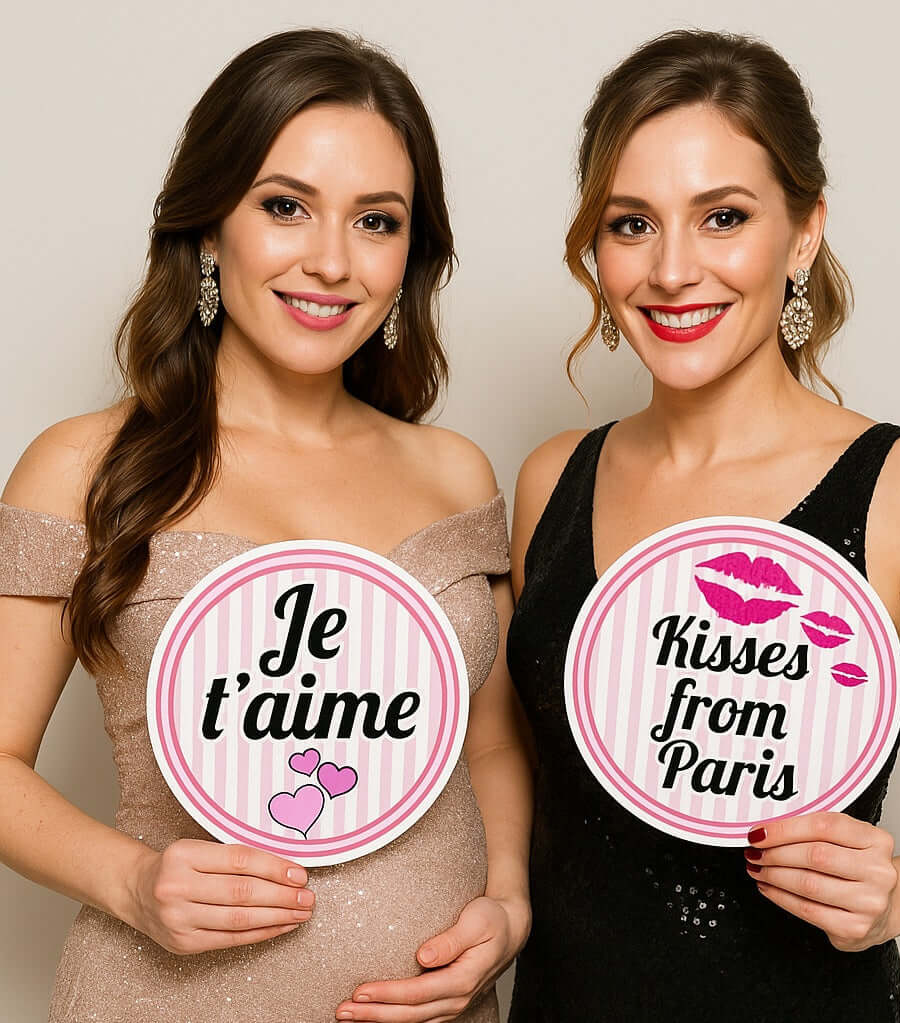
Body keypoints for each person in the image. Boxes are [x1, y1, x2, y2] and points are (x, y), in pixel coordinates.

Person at [0, 29, 531, 1023]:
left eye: (376, 221)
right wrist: (128, 883)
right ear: (210, 228)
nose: (330, 262)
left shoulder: (454, 473)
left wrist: (507, 904)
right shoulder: (80, 468)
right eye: (285, 207)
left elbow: (490, 747)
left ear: (409, 253)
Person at [506, 29, 900, 1021]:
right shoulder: (551, 480)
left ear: (804, 232)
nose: (672, 269)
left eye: (723, 217)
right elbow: (537, 793)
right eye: (631, 224)